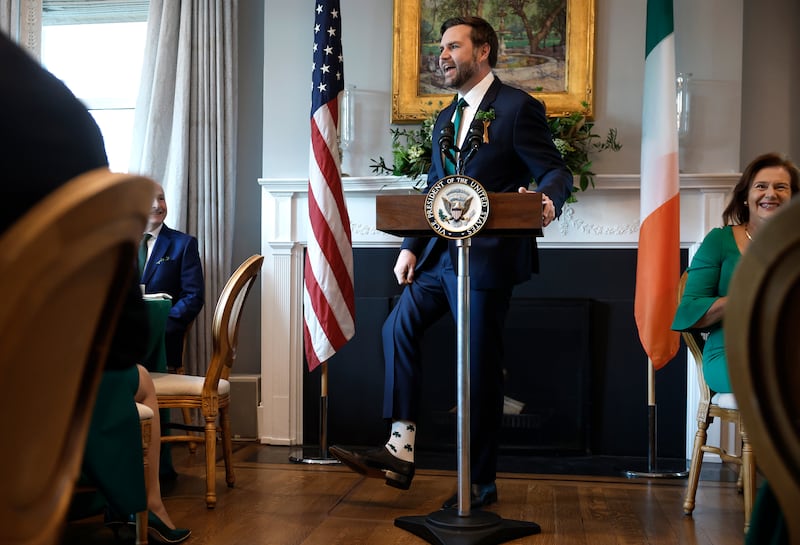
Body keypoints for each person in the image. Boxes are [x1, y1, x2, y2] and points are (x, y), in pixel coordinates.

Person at [329, 16, 573, 509]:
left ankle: (480, 484)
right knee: (396, 328)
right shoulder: (444, 119)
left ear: (482, 52)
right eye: (440, 47)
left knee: (478, 370)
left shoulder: (517, 108)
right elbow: (437, 190)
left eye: (452, 46)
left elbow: (554, 169)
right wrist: (411, 247)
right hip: (440, 258)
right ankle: (401, 447)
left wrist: (546, 201)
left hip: (488, 262)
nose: (441, 55)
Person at [0, 30, 190, 544]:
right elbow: (123, 331)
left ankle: (137, 506)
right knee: (130, 373)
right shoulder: (61, 113)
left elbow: (183, 300)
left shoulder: (182, 243)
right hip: (40, 409)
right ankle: (139, 508)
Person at [672, 152, 799, 393]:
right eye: (761, 186)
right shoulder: (719, 241)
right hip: (731, 352)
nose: (771, 194)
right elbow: (690, 311)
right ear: (745, 197)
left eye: (781, 187)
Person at [139, 184, 204, 371]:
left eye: (161, 198)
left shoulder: (183, 244)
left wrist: (163, 324)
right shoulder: (122, 244)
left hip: (163, 338)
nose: (157, 205)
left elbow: (193, 296)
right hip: (124, 338)